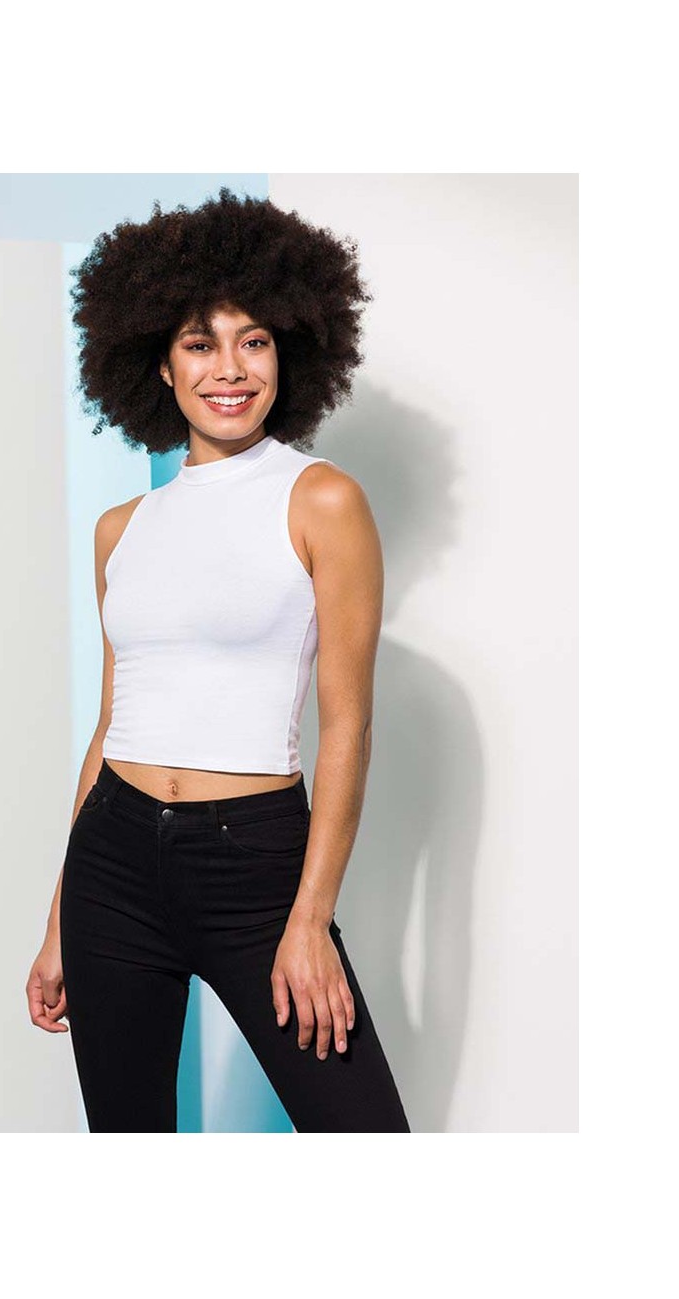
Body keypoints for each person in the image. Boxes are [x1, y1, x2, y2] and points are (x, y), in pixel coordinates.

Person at [26, 188, 410, 1132]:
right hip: (112, 860)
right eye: (201, 343)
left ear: (290, 353)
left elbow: (349, 725)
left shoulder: (321, 500)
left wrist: (309, 918)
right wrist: (60, 920)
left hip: (257, 868)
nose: (230, 369)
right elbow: (111, 726)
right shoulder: (121, 527)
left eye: (255, 341)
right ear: (158, 363)